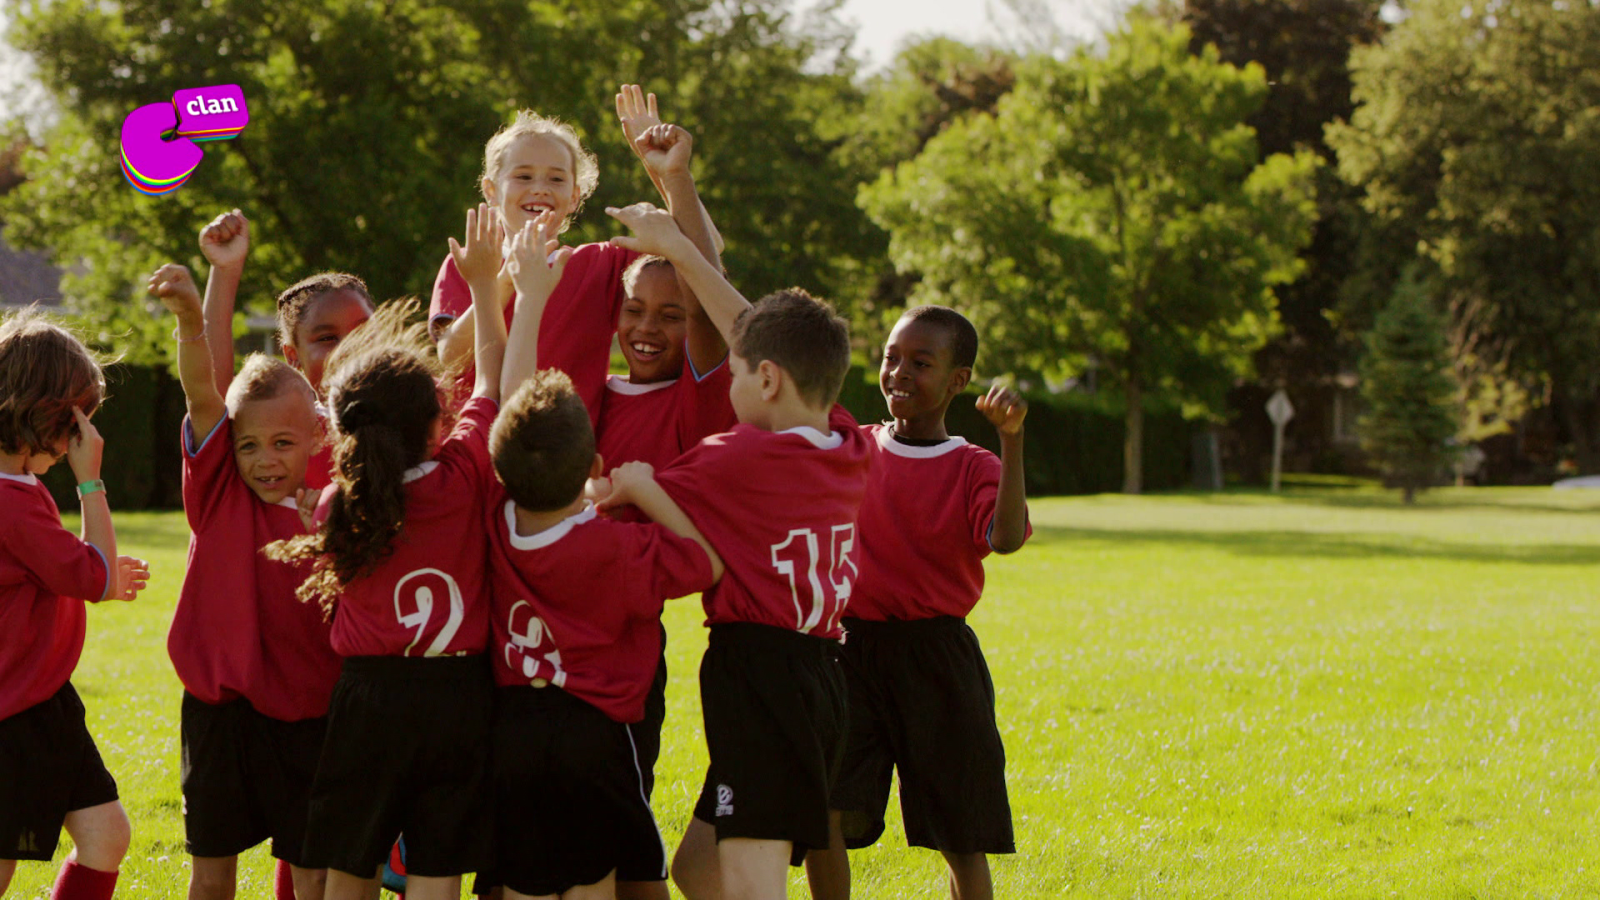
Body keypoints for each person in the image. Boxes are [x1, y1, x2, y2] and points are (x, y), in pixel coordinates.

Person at [604, 203, 872, 900]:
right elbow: (752, 327)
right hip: (820, 677)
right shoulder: (848, 441)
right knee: (697, 869)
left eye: (735, 375)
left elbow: (628, 496)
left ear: (769, 381)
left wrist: (629, 484)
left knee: (753, 881)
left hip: (761, 676)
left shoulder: (741, 455)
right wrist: (685, 254)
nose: (725, 385)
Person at [266, 204, 516, 900]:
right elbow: (493, 379)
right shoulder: (465, 475)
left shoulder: (340, 500)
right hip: (458, 692)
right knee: (436, 868)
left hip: (370, 695)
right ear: (439, 420)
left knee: (352, 860)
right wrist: (492, 286)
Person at [477, 224, 723, 894]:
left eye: (671, 315)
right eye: (634, 309)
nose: (647, 327)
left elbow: (508, 400)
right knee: (574, 859)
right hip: (592, 681)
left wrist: (676, 195)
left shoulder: (697, 400)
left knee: (615, 855)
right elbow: (518, 412)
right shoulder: (585, 399)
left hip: (607, 679)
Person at [803, 306, 1032, 900]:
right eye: (891, 357)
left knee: (959, 832)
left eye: (921, 363)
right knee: (824, 810)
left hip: (937, 660)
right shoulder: (856, 447)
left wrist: (1011, 442)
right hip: (850, 651)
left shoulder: (972, 466)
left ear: (958, 381)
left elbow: (1004, 538)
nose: (899, 372)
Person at [147, 264, 342, 900]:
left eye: (282, 443)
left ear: (317, 435)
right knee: (212, 868)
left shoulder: (338, 496)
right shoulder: (218, 491)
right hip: (221, 711)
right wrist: (188, 318)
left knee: (312, 870)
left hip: (314, 710)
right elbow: (204, 394)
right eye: (249, 445)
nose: (264, 460)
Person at [428, 86, 719, 426]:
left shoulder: (602, 263)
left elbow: (707, 247)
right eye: (523, 176)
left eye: (556, 178)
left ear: (574, 196)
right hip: (476, 455)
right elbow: (450, 357)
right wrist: (507, 277)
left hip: (566, 462)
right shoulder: (473, 262)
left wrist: (664, 169)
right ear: (491, 190)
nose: (540, 187)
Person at [0, 309, 148, 900]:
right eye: (75, 422)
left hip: (45, 701)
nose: (77, 438)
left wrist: (99, 570)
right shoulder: (14, 503)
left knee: (106, 836)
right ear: (43, 415)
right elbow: (101, 577)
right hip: (16, 714)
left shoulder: (21, 489)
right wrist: (91, 480)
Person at [195, 209, 376, 494]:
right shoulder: (277, 426)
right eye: (328, 337)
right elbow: (209, 389)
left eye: (363, 332)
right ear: (293, 356)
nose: (350, 347)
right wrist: (225, 270)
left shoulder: (411, 416)